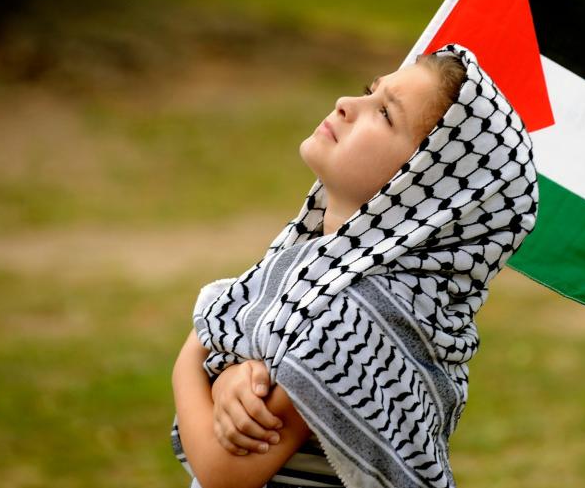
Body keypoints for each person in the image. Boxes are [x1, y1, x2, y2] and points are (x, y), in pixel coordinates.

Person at [171, 43, 539, 488]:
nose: (347, 104)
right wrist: (232, 375)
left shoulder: (356, 317)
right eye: (370, 91)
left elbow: (223, 472)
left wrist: (191, 358)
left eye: (385, 114)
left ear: (426, 186)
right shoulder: (318, 268)